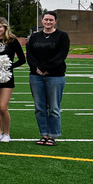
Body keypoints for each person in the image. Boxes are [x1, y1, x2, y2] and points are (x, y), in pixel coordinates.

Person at [27, 10, 70, 146]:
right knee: (39, 107)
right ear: (42, 20)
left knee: (53, 108)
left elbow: (61, 55)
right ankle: (44, 135)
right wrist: (37, 68)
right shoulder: (35, 37)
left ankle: (53, 136)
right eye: (46, 19)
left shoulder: (62, 36)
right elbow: (30, 54)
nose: (48, 22)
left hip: (55, 76)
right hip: (36, 76)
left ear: (55, 21)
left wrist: (46, 68)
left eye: (51, 20)